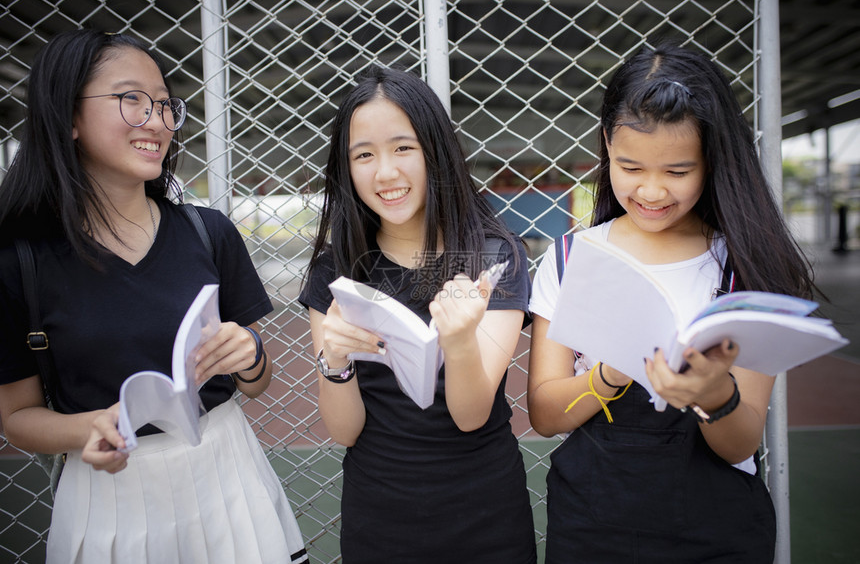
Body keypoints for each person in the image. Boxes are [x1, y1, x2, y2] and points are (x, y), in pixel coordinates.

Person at [0, 29, 307, 564]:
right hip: (109, 494)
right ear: (68, 117)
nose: (159, 121)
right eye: (132, 100)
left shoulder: (208, 232)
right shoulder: (20, 262)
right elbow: (18, 416)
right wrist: (86, 429)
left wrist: (251, 357)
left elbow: (257, 384)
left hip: (228, 473)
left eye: (165, 105)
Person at [528, 43, 813, 562]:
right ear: (606, 149)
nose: (652, 191)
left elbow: (740, 443)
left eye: (678, 172)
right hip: (593, 526)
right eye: (629, 166)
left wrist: (713, 393)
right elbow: (546, 415)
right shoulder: (574, 257)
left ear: (713, 161)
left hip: (716, 532)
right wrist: (611, 373)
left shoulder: (745, 267)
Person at [298, 66, 536, 563]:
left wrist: (462, 341)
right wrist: (335, 361)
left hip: (483, 510)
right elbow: (344, 431)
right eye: (364, 155)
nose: (385, 172)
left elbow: (472, 416)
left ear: (435, 151)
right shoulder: (336, 270)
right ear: (346, 168)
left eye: (403, 148)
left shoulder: (492, 257)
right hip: (379, 512)